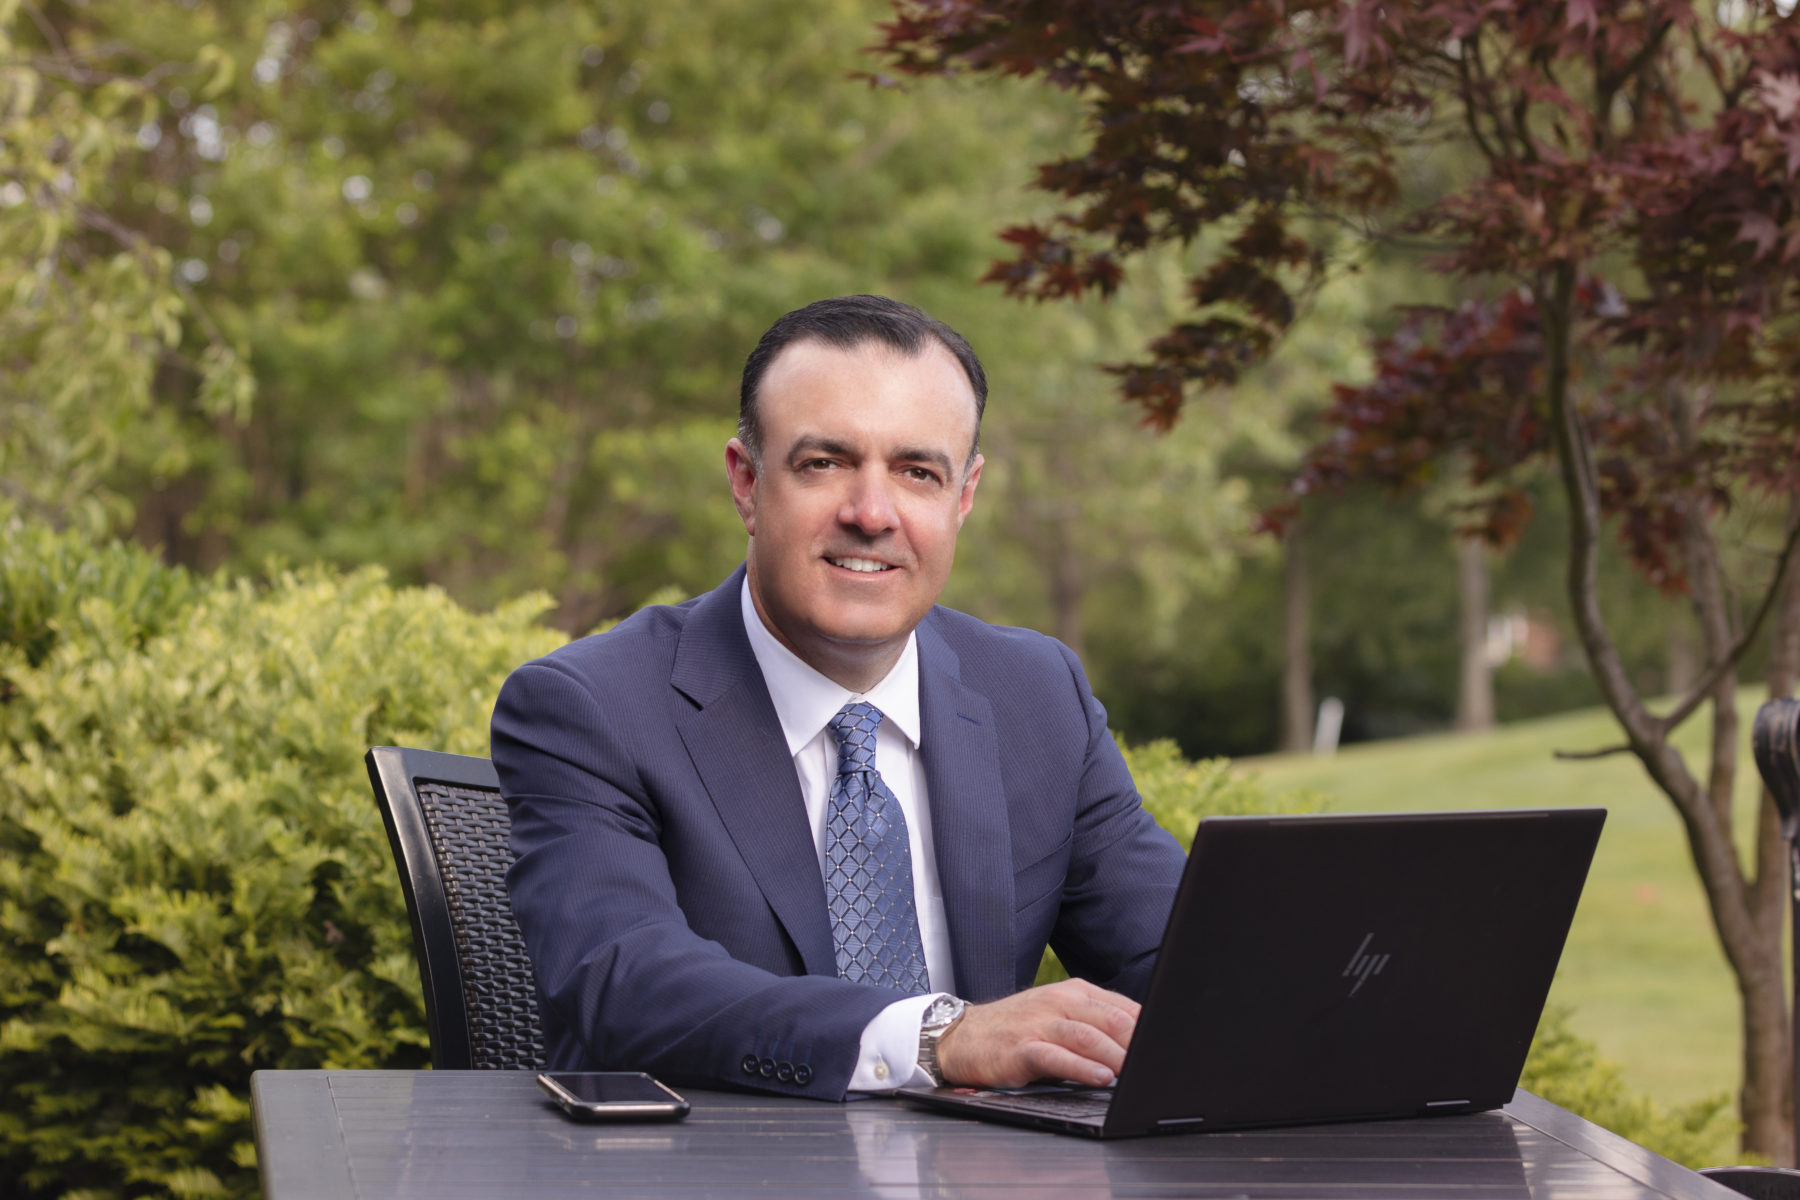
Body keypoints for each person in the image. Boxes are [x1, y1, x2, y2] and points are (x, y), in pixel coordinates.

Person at [492, 294, 1186, 1101]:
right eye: (823, 463)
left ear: (964, 497)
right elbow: (624, 985)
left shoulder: (1037, 696)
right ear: (747, 483)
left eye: (918, 472)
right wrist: (939, 1039)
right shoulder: (592, 709)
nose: (871, 513)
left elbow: (1189, 967)